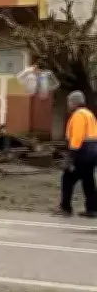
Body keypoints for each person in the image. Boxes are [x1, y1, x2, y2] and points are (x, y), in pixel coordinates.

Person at [54, 90, 97, 218]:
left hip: (82, 152)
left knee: (67, 178)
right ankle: (92, 209)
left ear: (74, 103)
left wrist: (71, 157)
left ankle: (65, 207)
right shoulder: (89, 114)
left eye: (69, 102)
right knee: (88, 180)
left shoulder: (78, 115)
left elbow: (77, 137)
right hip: (93, 152)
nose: (68, 105)